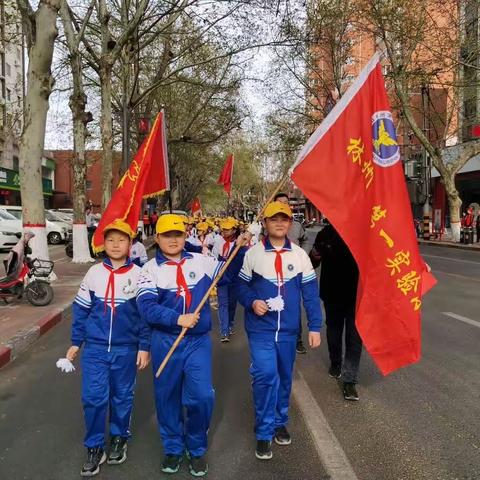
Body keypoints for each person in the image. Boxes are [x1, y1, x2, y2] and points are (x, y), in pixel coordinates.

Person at [137, 214, 247, 476]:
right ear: (158, 238)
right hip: (165, 341)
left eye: (178, 234)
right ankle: (173, 448)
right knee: (167, 398)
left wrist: (240, 248)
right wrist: (177, 318)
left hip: (197, 342)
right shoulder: (149, 270)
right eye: (167, 235)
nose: (173, 239)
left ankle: (196, 448)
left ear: (185, 235)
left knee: (201, 396)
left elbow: (228, 273)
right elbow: (146, 308)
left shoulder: (202, 261)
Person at [65, 220, 151, 477]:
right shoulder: (93, 273)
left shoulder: (139, 274)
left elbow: (145, 317)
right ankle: (94, 446)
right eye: (110, 240)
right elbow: (80, 311)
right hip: (95, 350)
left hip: (126, 349)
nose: (115, 245)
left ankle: (118, 437)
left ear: (130, 244)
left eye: (121, 240)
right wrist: (75, 343)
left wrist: (144, 346)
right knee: (93, 398)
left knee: (122, 397)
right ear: (104, 243)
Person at [237, 201, 322, 460]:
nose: (279, 223)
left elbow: (310, 294)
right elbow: (241, 288)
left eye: (284, 218)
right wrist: (253, 302)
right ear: (265, 223)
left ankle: (278, 421)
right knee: (265, 375)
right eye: (274, 219)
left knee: (284, 378)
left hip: (287, 331)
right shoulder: (252, 254)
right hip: (260, 330)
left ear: (289, 223)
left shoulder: (299, 255)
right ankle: (263, 432)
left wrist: (315, 327)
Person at [309, 221, 361, 401]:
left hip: (357, 295)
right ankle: (335, 363)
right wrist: (315, 256)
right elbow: (312, 261)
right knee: (334, 332)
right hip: (332, 294)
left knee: (354, 338)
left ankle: (350, 380)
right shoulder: (324, 234)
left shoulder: (362, 233)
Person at [274, 192, 308, 355]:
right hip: (272, 272)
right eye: (279, 202)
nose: (283, 205)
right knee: (275, 304)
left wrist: (304, 254)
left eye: (286, 202)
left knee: (293, 305)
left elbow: (305, 239)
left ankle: (297, 340)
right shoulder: (269, 225)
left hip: (294, 273)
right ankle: (278, 336)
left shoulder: (296, 225)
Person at [212, 217, 248, 342]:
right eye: (224, 229)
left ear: (234, 230)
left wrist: (239, 247)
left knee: (232, 304)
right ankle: (224, 331)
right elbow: (213, 257)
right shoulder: (218, 240)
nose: (225, 232)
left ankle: (230, 323)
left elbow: (245, 257)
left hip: (235, 277)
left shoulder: (241, 242)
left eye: (228, 229)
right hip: (222, 277)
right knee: (223, 304)